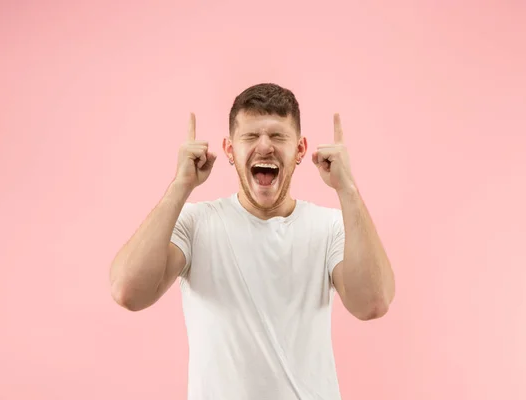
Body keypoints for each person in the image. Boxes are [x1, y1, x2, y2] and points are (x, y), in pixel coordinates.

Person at [109, 83, 396, 400]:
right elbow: (128, 292)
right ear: (230, 149)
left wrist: (348, 189)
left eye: (277, 136)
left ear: (300, 149)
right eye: (250, 136)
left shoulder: (331, 227)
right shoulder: (194, 223)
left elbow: (372, 303)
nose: (265, 147)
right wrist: (180, 186)